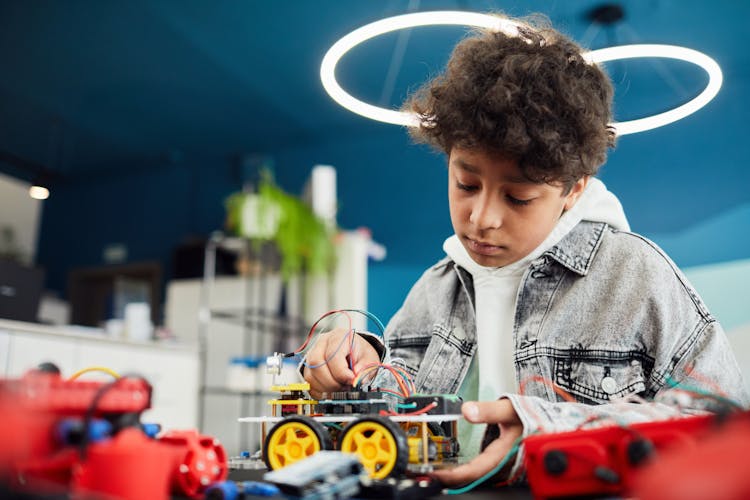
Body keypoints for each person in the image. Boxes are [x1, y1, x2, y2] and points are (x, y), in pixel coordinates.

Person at [302, 13, 748, 486]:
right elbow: (388, 410)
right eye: (465, 183)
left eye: (518, 197)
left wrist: (550, 431)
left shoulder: (637, 277)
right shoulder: (433, 291)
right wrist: (358, 367)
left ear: (573, 190)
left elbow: (726, 426)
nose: (482, 218)